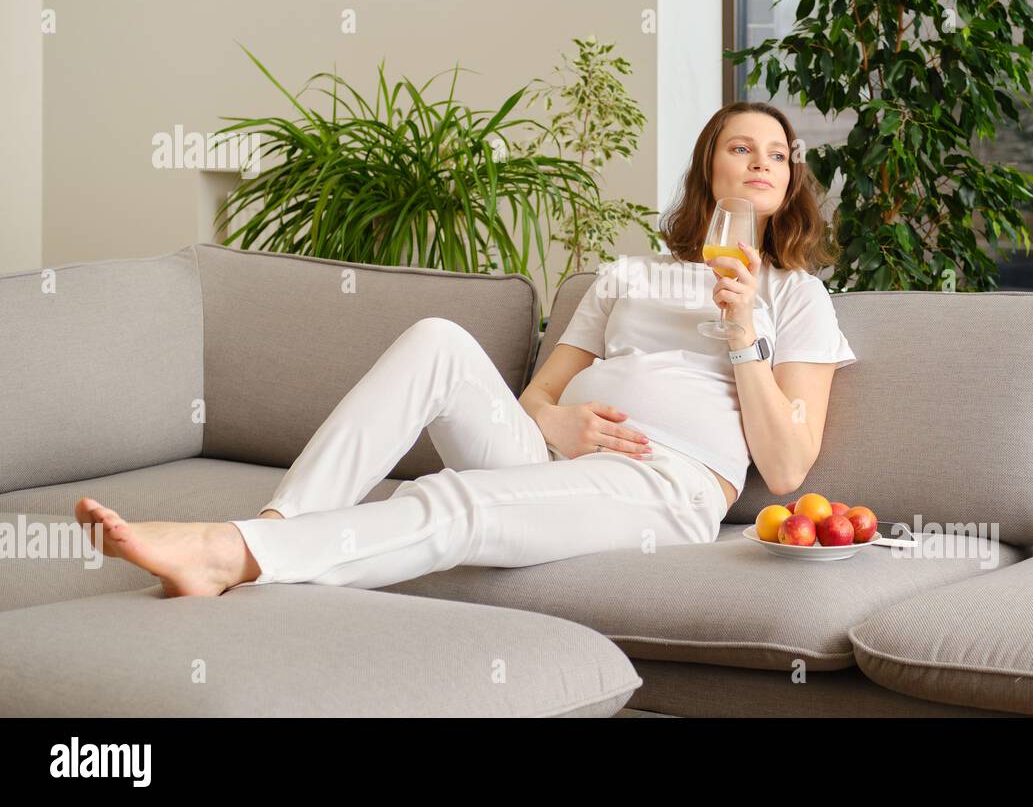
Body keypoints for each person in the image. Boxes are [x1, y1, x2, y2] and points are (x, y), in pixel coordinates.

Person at [73, 101, 858, 597]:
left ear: (788, 185)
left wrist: (743, 332)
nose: (760, 160)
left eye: (778, 155)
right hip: (553, 457)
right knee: (437, 340)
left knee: (463, 501)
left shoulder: (794, 297)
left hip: (664, 484)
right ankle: (280, 520)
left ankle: (229, 553)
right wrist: (554, 425)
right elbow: (535, 401)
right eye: (740, 147)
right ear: (706, 168)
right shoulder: (626, 278)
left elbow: (788, 468)